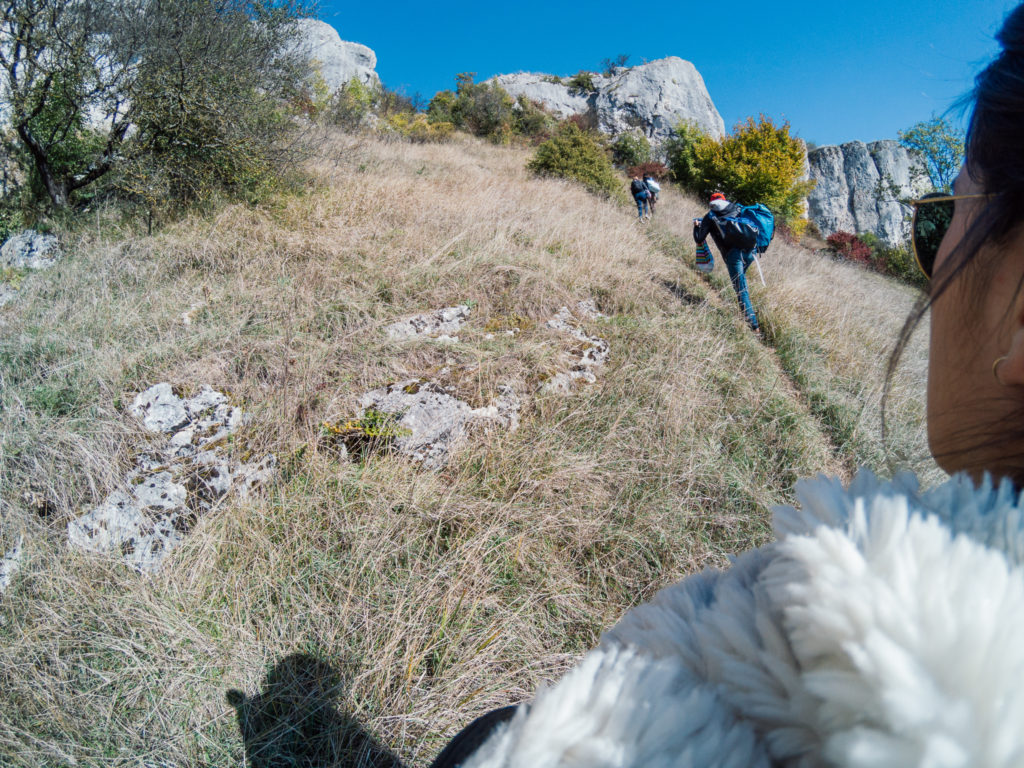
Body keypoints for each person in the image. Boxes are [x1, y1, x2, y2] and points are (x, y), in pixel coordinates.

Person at [430, 4, 1024, 765]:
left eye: (936, 228)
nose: (932, 263)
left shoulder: (641, 733)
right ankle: (748, 316)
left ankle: (745, 313)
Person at [694, 192, 760, 332]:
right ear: (724, 200)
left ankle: (753, 325)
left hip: (733, 255)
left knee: (741, 288)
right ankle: (749, 316)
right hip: (749, 252)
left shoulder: (710, 216)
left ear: (711, 203)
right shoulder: (737, 209)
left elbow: (699, 239)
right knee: (741, 283)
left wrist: (696, 226)